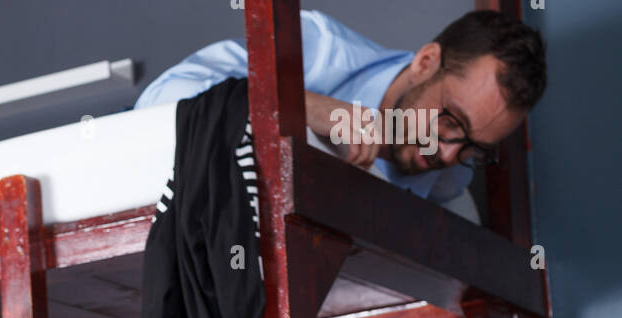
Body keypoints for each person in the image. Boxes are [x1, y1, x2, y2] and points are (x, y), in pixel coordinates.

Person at [134, 8, 547, 205]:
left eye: (475, 147)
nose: (450, 153)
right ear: (425, 63)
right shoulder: (316, 48)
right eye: (451, 120)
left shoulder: (450, 176)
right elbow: (158, 106)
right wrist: (305, 109)